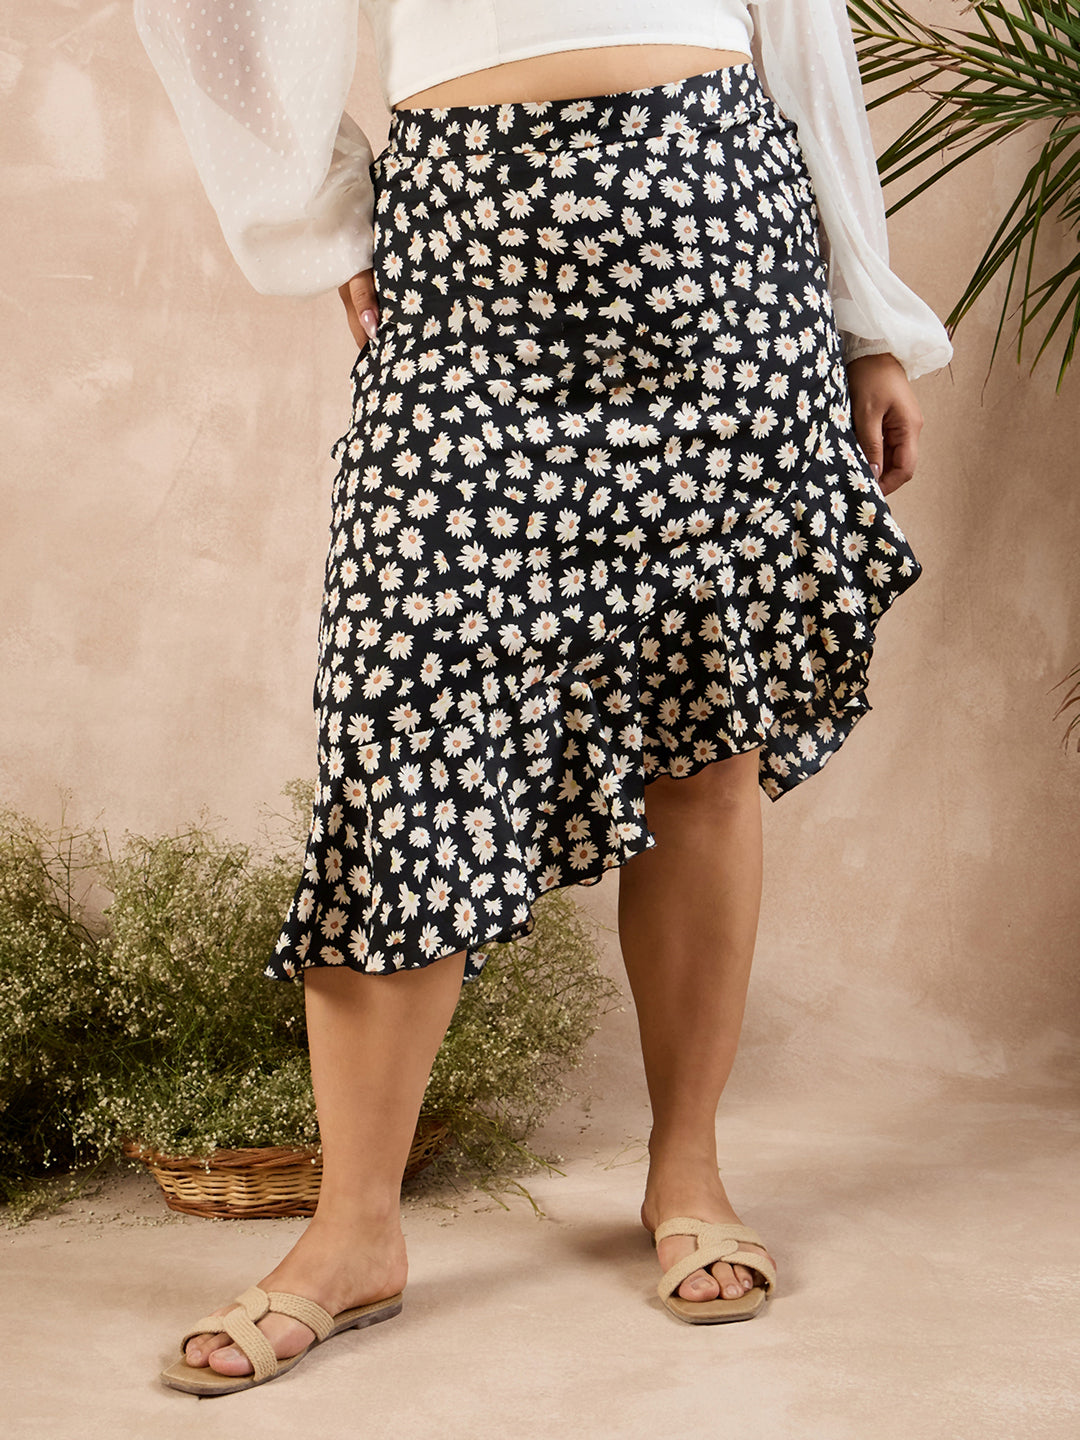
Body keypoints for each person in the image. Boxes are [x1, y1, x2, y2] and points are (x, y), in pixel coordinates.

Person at [134, 0, 953, 1397]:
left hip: (721, 245)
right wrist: (327, 220)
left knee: (704, 740)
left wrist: (867, 321)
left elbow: (803, 29)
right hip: (465, 258)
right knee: (402, 740)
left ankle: (687, 1170)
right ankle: (353, 1230)